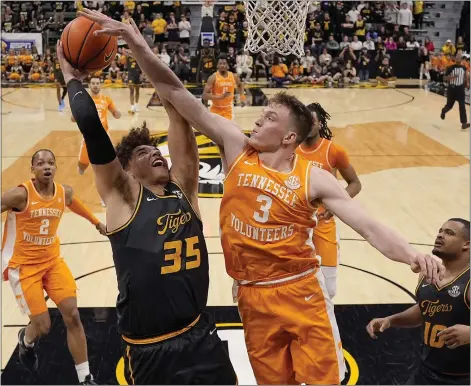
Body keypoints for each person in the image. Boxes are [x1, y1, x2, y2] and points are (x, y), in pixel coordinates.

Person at [77, 10, 445, 385]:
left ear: (288, 138)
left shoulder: (313, 177)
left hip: (300, 289)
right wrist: (139, 46)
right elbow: (174, 93)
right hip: (251, 297)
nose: (258, 119)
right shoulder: (237, 148)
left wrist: (412, 255)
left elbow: (369, 226)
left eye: (269, 118)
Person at [56, 40, 237, 385]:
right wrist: (71, 78)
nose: (155, 154)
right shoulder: (122, 197)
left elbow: (177, 108)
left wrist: (143, 50)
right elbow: (91, 128)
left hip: (200, 335)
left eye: (156, 150)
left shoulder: (183, 188)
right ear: (126, 170)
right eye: (142, 153)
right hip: (150, 348)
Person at [1, 149, 106, 384]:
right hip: (24, 267)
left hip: (52, 263)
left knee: (73, 316)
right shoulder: (20, 195)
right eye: (40, 163)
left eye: (50, 162)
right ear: (33, 169)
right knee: (44, 327)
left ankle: (85, 378)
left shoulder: (62, 192)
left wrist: (97, 222)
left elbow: (73, 202)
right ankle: (25, 340)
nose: (46, 166)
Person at [367, 218, 470, 385]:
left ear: (466, 244)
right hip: (425, 373)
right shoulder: (427, 273)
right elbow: (426, 309)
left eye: (449, 233)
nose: (440, 236)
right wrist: (391, 320)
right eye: (440, 231)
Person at [297, 103, 362, 299]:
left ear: (320, 124)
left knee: (329, 289)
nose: (308, 126)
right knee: (298, 284)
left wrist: (336, 206)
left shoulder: (333, 151)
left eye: (312, 122)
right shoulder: (291, 148)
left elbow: (355, 184)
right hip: (297, 223)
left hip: (323, 223)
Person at [71, 76, 121, 175]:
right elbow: (73, 118)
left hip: (104, 134)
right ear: (89, 85)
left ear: (100, 85)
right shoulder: (83, 100)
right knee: (82, 165)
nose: (95, 86)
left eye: (97, 83)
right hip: (89, 135)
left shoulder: (107, 99)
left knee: (112, 160)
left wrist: (117, 114)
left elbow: (116, 114)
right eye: (93, 83)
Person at [202, 54, 245, 120]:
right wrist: (220, 97)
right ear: (217, 65)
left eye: (224, 63)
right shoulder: (213, 77)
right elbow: (205, 95)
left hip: (228, 109)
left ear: (227, 65)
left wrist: (242, 97)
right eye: (220, 63)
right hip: (216, 109)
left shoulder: (234, 76)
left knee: (228, 129)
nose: (222, 65)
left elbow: (240, 84)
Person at [441, 54, 470, 130]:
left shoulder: (464, 68)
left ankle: (464, 123)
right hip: (452, 89)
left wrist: (467, 83)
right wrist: (452, 77)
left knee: (462, 106)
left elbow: (465, 76)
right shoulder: (450, 68)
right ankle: (443, 111)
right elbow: (444, 78)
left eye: (459, 58)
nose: (458, 59)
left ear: (461, 60)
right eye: (457, 57)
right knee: (449, 106)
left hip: (460, 89)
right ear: (455, 58)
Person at [126, 48, 142, 113]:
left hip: (138, 74)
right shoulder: (128, 57)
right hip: (131, 75)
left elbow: (142, 66)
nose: (130, 51)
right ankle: (132, 106)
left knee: (137, 91)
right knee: (131, 90)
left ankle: (136, 105)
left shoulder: (139, 57)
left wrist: (142, 75)